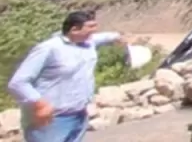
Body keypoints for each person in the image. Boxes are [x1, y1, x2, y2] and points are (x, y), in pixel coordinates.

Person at [7, 10, 126, 142]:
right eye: (90, 27)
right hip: (51, 120)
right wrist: (39, 104)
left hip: (79, 115)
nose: (94, 30)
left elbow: (102, 37)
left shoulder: (87, 42)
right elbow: (18, 82)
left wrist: (116, 37)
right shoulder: (49, 48)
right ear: (74, 29)